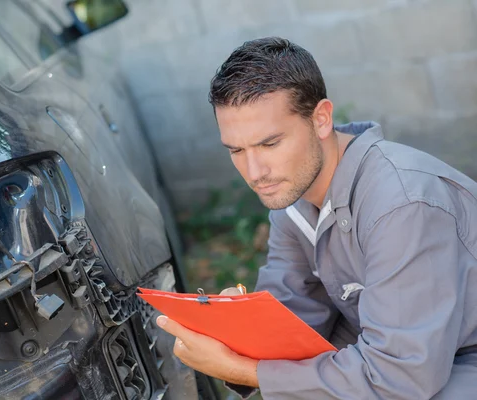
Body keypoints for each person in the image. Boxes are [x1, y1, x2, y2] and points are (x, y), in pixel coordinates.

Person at [155, 37, 477, 399]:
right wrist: (237, 329)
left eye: (270, 143)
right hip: (413, 358)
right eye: (237, 150)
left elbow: (399, 377)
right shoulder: (292, 200)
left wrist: (244, 370)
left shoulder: (400, 204)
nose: (255, 171)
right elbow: (293, 318)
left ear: (321, 119)